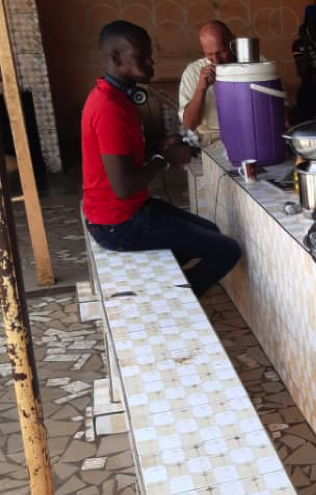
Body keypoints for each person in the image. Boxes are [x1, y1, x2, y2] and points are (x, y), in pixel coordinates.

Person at [83, 20, 241, 298]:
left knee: (210, 231)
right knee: (227, 251)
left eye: (149, 54)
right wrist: (164, 157)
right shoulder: (109, 108)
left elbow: (123, 157)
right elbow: (123, 185)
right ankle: (174, 299)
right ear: (117, 57)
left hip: (126, 211)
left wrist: (159, 145)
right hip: (117, 223)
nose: (151, 62)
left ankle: (159, 282)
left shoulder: (117, 98)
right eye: (141, 56)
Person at [178, 20, 236, 141]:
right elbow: (189, 125)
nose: (216, 61)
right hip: (214, 137)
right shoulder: (193, 72)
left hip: (252, 131)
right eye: (209, 54)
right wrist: (201, 88)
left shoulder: (253, 63)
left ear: (232, 42)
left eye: (221, 52)